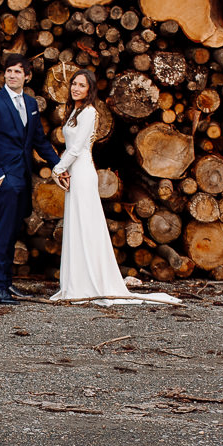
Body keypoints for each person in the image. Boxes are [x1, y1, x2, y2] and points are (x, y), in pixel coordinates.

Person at [49, 69, 181, 306]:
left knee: (86, 224)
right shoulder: (74, 111)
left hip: (83, 171)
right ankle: (75, 282)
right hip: (74, 170)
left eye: (82, 85)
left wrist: (57, 169)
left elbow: (78, 147)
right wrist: (63, 167)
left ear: (90, 90)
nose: (76, 88)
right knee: (76, 224)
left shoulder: (89, 112)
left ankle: (89, 283)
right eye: (74, 84)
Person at [0, 54, 60, 306]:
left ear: (27, 76)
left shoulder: (31, 103)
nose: (12, 75)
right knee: (2, 234)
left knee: (13, 234)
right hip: (5, 181)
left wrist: (59, 165)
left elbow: (39, 141)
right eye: (9, 71)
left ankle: (7, 284)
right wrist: (0, 178)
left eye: (17, 72)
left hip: (24, 178)